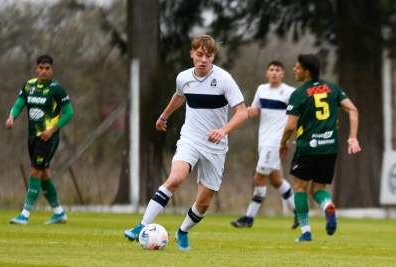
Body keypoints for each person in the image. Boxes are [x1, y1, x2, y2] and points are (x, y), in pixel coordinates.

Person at [124, 34, 248, 250]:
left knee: (204, 202)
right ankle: (141, 226)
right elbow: (180, 95)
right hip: (190, 138)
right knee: (175, 179)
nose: (203, 60)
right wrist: (164, 116)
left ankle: (182, 232)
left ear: (213, 57)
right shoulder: (183, 77)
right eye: (199, 55)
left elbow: (242, 113)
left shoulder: (224, 79)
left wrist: (223, 130)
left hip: (216, 146)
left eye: (208, 56)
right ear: (191, 54)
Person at [279, 54, 361, 242]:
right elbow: (353, 110)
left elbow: (290, 126)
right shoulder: (333, 88)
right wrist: (352, 138)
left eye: (297, 67)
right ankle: (327, 206)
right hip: (329, 147)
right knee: (317, 189)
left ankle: (306, 232)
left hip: (308, 148)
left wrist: (283, 143)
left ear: (306, 72)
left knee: (300, 188)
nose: (294, 70)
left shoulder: (299, 94)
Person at [6, 54, 74, 225]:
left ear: (52, 70)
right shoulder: (29, 86)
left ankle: (24, 215)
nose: (44, 71)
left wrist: (52, 130)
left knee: (35, 171)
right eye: (41, 68)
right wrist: (12, 117)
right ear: (36, 69)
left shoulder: (57, 89)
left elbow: (69, 113)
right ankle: (59, 213)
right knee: (43, 174)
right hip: (32, 137)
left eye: (47, 68)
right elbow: (19, 103)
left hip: (48, 139)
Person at [231, 60, 299, 229]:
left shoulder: (290, 92)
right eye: (271, 70)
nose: (274, 72)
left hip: (276, 141)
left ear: (282, 74)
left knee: (258, 177)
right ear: (267, 73)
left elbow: (300, 113)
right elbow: (254, 109)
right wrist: (250, 110)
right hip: (263, 140)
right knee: (276, 180)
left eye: (277, 70)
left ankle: (249, 217)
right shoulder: (261, 89)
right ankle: (300, 212)